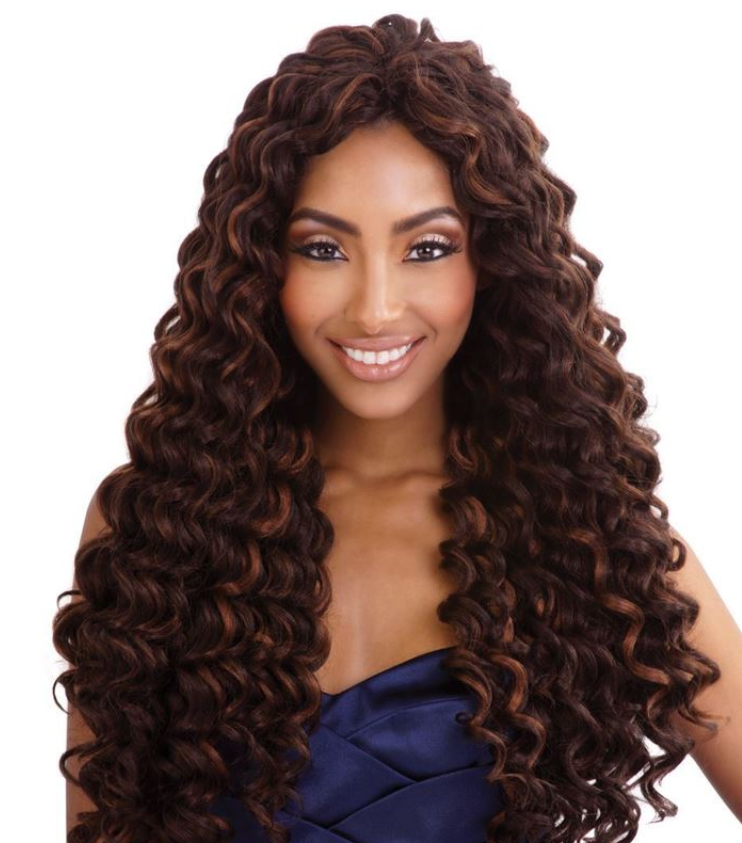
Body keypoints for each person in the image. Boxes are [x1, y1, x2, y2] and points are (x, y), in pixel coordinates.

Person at [52, 13, 742, 843]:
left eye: (426, 248)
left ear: (493, 259)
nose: (376, 308)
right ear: (261, 264)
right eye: (323, 248)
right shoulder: (159, 529)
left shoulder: (592, 543)